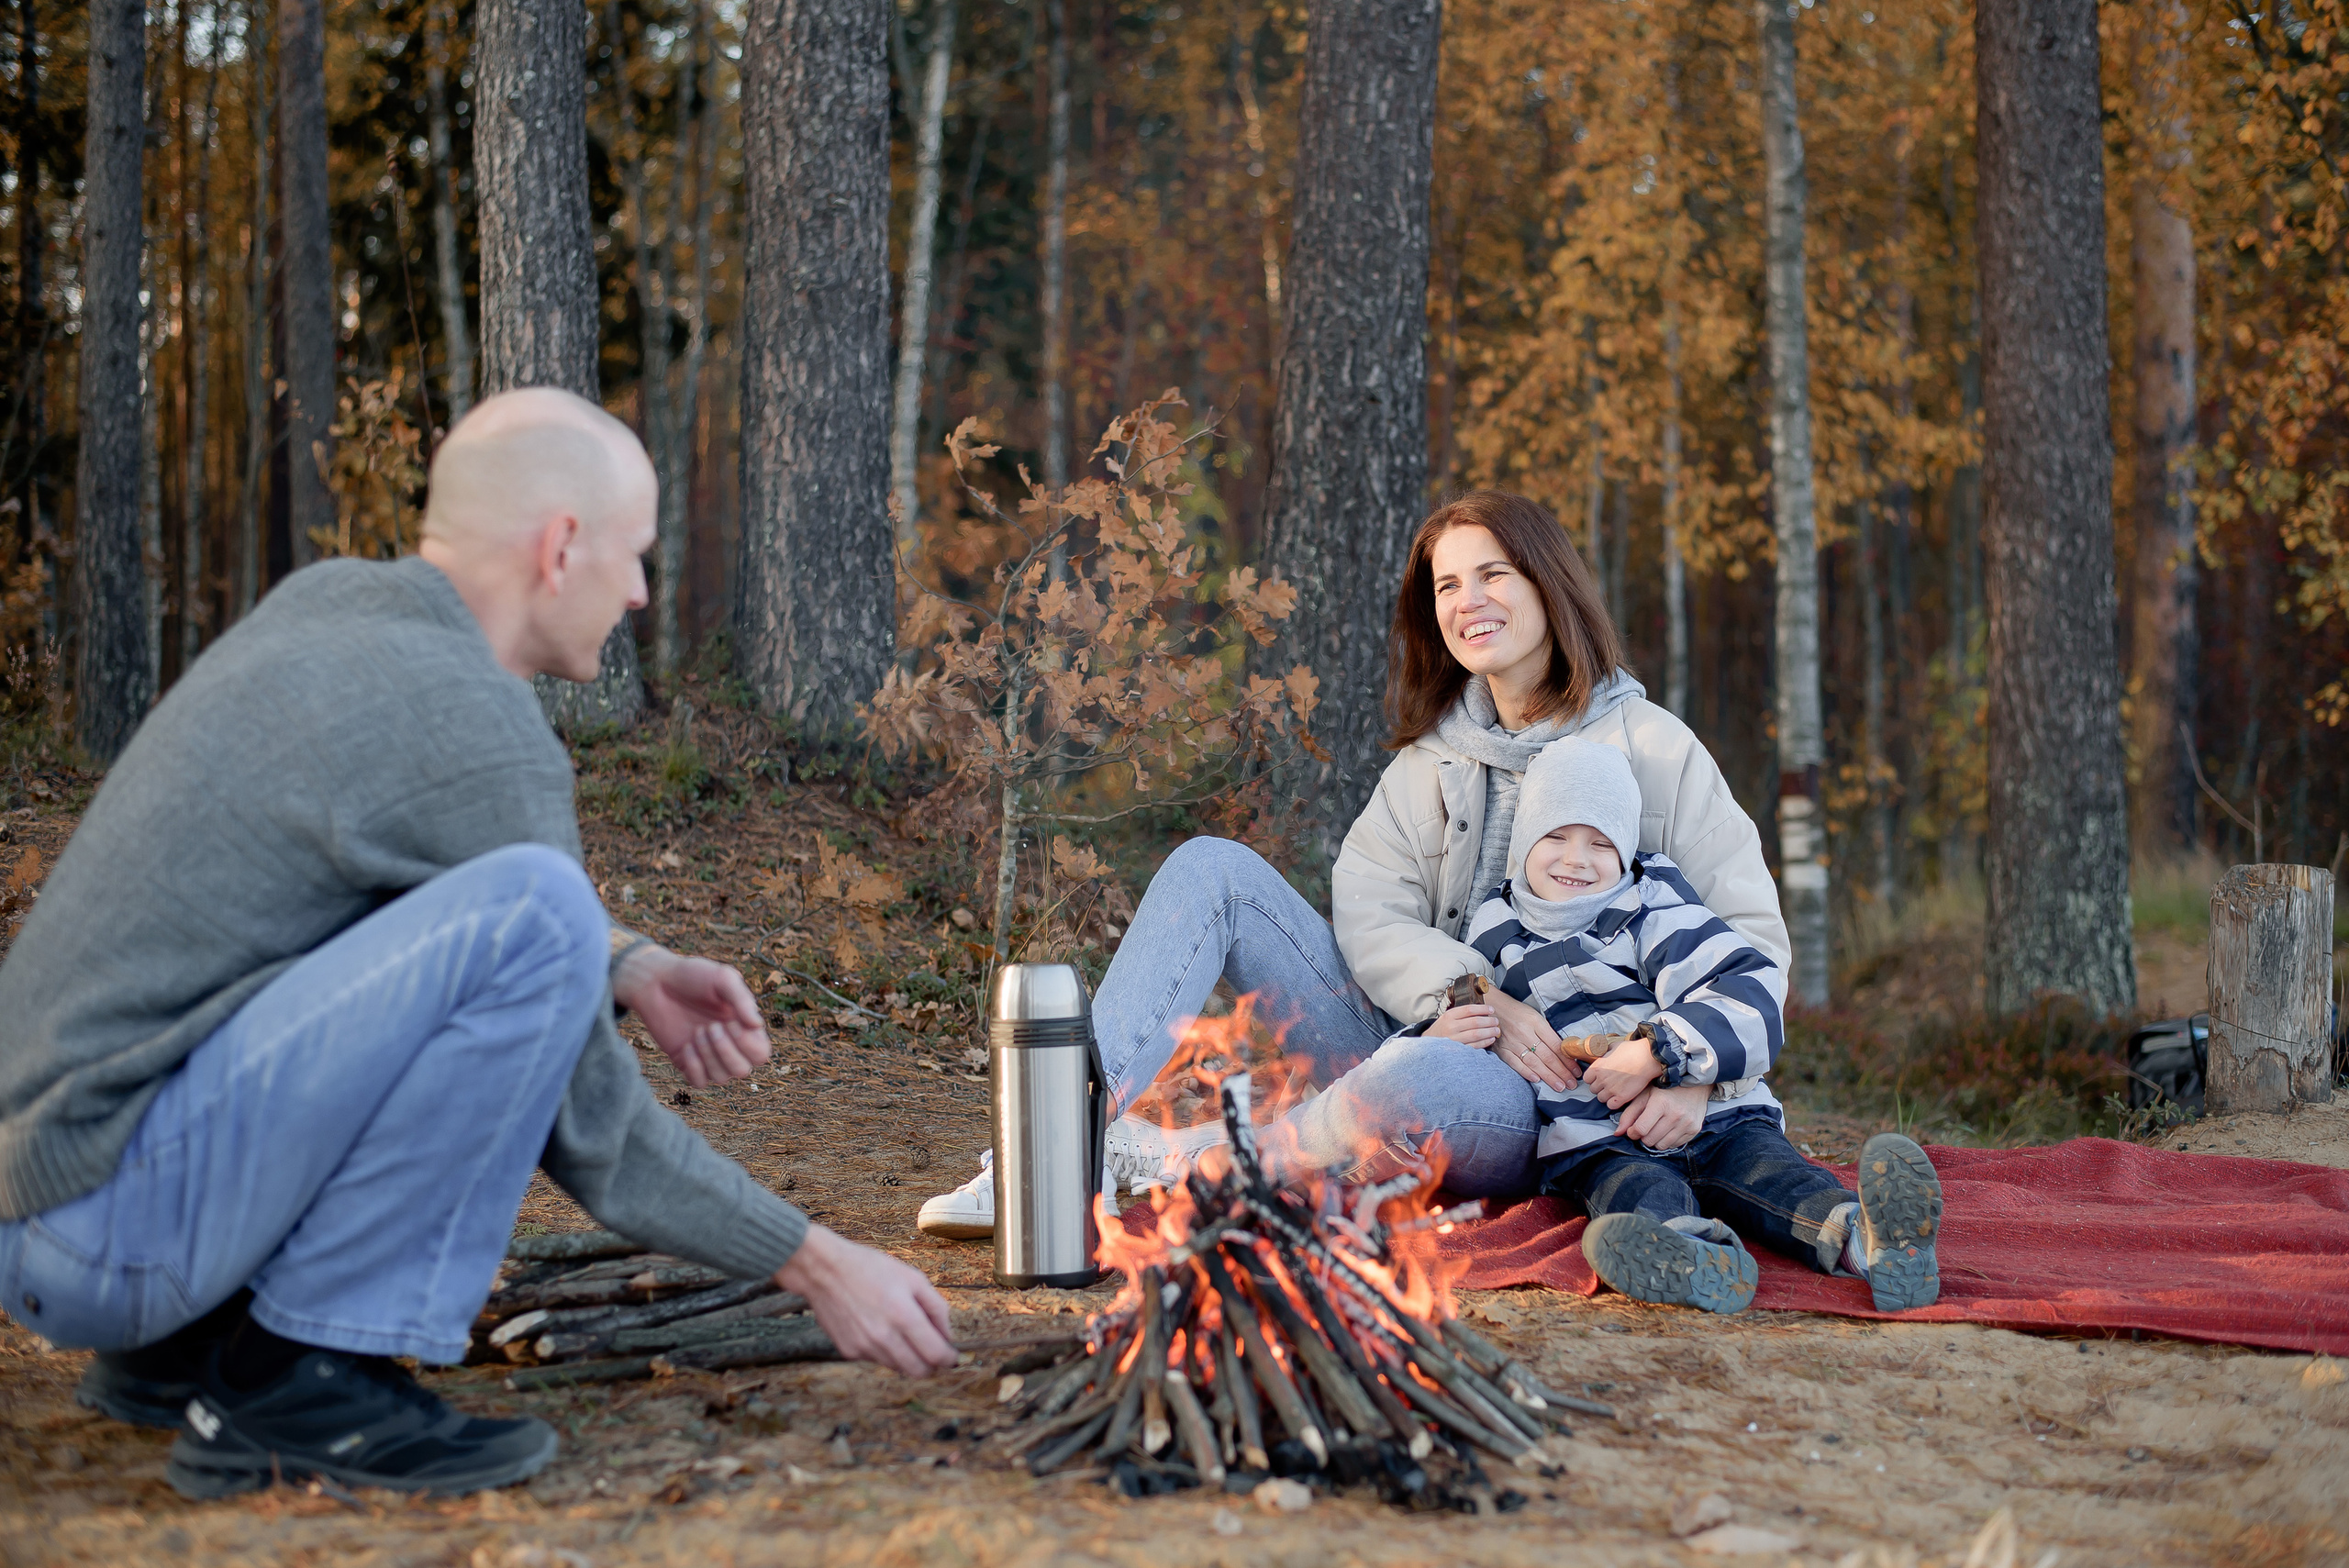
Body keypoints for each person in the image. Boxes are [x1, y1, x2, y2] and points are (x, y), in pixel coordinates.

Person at [0, 388, 955, 1502]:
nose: (643, 591)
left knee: (511, 912)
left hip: (51, 1210)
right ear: (560, 546)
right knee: (538, 905)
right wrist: (820, 1261)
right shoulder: (478, 725)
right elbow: (602, 1137)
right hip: (115, 1231)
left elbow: (402, 866)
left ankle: (190, 1348)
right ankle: (300, 1377)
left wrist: (629, 961)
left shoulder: (333, 609)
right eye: (634, 555)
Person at [919, 488, 1783, 1235]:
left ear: (1546, 583)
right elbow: (1369, 910)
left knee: (1415, 1074)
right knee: (1211, 869)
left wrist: (1688, 1071)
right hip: (1414, 1030)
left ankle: (1204, 1158)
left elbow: (1750, 943)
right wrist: (1468, 990)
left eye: (1493, 575)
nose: (1467, 600)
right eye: (1447, 584)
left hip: (1558, 1099)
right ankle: (1047, 1148)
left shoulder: (1651, 748)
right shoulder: (1433, 758)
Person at [1425, 736, 1943, 1314]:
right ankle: (1691, 1260)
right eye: (1556, 837)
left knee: (1776, 1179)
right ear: (1523, 842)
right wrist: (1441, 1033)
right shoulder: (1494, 935)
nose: (1577, 859)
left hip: (1719, 1118)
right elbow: (1470, 1019)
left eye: (1601, 843)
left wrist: (1658, 1052)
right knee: (1639, 1198)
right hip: (1603, 1142)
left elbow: (1747, 993)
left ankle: (1874, 1246)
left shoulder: (1656, 913)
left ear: (1626, 853)